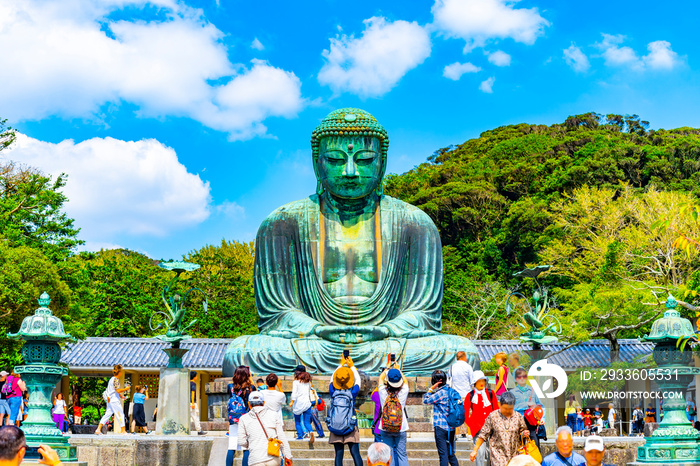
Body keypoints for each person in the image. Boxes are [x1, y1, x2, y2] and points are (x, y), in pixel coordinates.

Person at [470, 391, 530, 466]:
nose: (507, 411)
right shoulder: (493, 416)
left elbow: (522, 430)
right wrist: (475, 451)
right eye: (505, 408)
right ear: (500, 405)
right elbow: (483, 435)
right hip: (497, 456)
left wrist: (524, 433)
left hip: (514, 456)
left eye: (510, 408)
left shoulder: (518, 417)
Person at [237, 392, 292, 466]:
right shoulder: (273, 415)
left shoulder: (243, 419)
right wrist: (288, 456)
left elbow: (241, 442)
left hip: (255, 459)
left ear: (249, 404)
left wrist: (252, 443)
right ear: (263, 403)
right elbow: (281, 437)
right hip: (273, 457)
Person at [328, 356, 363, 466]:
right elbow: (358, 381)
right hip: (350, 426)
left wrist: (341, 365)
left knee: (338, 454)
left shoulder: (332, 392)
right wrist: (352, 366)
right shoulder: (352, 393)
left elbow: (332, 379)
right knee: (355, 453)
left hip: (336, 425)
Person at [423, 370, 458, 466]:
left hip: (441, 427)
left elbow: (426, 400)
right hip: (451, 427)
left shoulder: (440, 393)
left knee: (443, 454)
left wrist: (430, 389)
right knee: (450, 454)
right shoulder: (452, 391)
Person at [465, 370, 499, 466]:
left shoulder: (491, 393)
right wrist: (472, 425)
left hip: (492, 428)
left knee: (492, 454)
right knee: (479, 454)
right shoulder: (470, 395)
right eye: (479, 381)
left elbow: (496, 410)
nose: (481, 383)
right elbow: (465, 414)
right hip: (478, 429)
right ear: (475, 382)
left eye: (483, 381)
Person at [378, 366, 409, 466]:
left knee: (389, 454)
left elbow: (380, 379)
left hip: (385, 427)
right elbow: (406, 382)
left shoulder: (382, 392)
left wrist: (386, 372)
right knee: (402, 454)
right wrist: (398, 370)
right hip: (401, 427)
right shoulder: (403, 392)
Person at [227, 365, 256, 466]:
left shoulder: (230, 387)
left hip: (233, 419)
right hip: (247, 419)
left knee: (231, 446)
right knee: (246, 447)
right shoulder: (251, 388)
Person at [509, 368, 542, 448]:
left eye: (524, 376)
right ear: (516, 379)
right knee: (520, 445)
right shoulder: (512, 393)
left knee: (535, 444)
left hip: (532, 421)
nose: (522, 378)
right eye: (519, 377)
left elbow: (540, 405)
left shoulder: (533, 391)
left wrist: (542, 418)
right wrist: (526, 404)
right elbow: (510, 408)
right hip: (518, 422)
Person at [96, 364, 129, 435]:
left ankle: (98, 429)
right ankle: (123, 430)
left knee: (107, 414)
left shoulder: (111, 379)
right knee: (120, 413)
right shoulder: (115, 379)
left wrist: (121, 396)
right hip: (114, 400)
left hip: (110, 399)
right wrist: (126, 389)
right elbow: (117, 390)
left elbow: (112, 390)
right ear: (119, 372)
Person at [448, 350, 474, 437]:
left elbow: (449, 381)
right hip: (466, 393)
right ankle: (468, 433)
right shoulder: (468, 367)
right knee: (467, 413)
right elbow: (472, 382)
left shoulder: (452, 367)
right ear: (463, 357)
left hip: (455, 394)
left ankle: (457, 433)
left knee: (457, 413)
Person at [290, 368, 314, 441]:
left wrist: (292, 401)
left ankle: (300, 435)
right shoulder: (308, 382)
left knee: (297, 421)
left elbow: (294, 393)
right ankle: (311, 432)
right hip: (307, 404)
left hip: (298, 404)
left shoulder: (296, 382)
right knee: (306, 422)